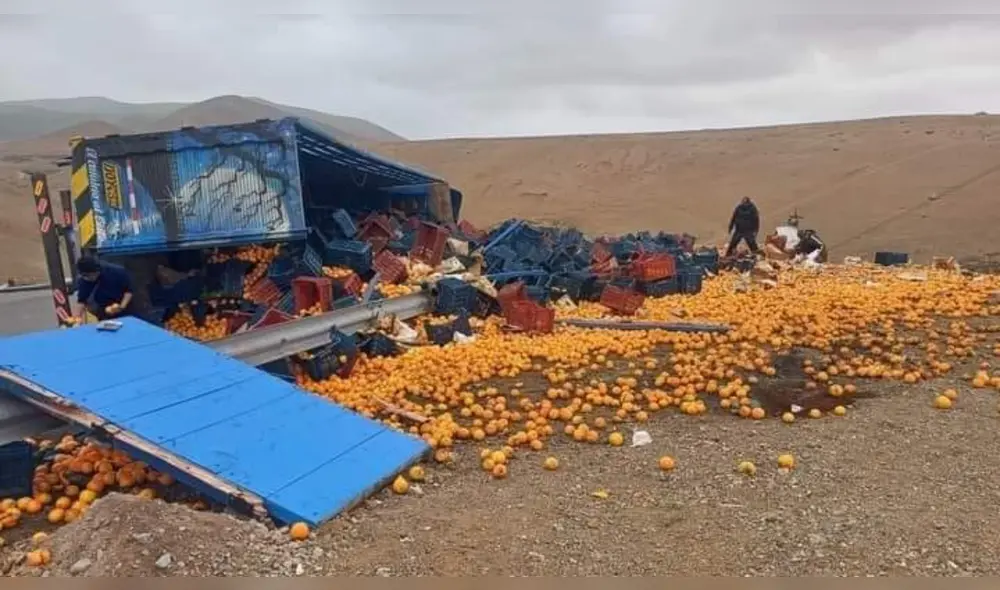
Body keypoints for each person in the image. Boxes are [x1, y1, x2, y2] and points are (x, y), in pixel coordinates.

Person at [74, 256, 135, 323]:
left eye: (88, 275)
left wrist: (122, 307)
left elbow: (128, 291)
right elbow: (81, 301)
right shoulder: (84, 281)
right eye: (84, 276)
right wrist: (76, 318)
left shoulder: (117, 272)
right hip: (103, 311)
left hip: (123, 307)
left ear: (97, 272)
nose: (86, 278)